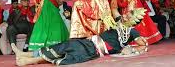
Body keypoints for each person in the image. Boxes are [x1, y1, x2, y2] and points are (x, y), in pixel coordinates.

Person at [12, 9, 148, 66]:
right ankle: (25, 54)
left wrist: (130, 49)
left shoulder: (132, 31)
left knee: (66, 49)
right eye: (127, 13)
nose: (125, 15)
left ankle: (29, 61)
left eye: (129, 15)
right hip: (90, 42)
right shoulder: (118, 21)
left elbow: (143, 45)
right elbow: (114, 9)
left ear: (133, 20)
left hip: (93, 50)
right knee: (62, 45)